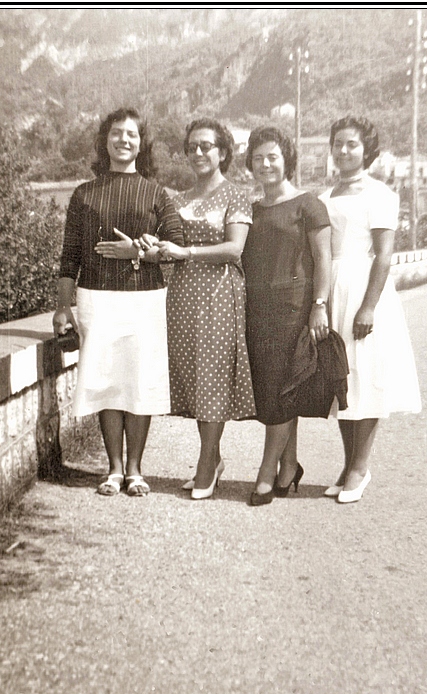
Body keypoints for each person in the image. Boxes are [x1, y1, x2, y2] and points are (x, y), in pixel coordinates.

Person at [53, 107, 183, 496]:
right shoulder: (83, 194)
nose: (123, 140)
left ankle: (136, 469)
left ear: (141, 144)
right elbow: (69, 255)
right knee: (108, 380)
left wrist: (137, 253)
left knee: (139, 381)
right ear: (104, 140)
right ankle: (112, 469)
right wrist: (64, 306)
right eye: (116, 133)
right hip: (96, 297)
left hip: (144, 299)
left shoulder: (157, 193)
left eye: (132, 134)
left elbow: (175, 246)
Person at [151, 117, 257, 500]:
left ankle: (206, 463)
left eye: (206, 146)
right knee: (195, 378)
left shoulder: (235, 195)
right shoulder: (177, 199)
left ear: (223, 152)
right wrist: (154, 245)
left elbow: (234, 249)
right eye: (192, 147)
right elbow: (169, 247)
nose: (197, 153)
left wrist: (188, 251)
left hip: (217, 295)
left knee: (211, 375)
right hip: (181, 297)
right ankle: (211, 456)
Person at [319, 115, 421, 503]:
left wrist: (368, 307)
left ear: (367, 151)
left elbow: (383, 255)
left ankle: (361, 466)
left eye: (352, 145)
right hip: (333, 291)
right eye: (338, 144)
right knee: (341, 380)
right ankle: (348, 465)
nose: (343, 151)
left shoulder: (380, 194)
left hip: (364, 289)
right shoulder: (326, 197)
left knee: (368, 376)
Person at [241, 126, 332, 506]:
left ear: (287, 159)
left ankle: (266, 473)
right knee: (276, 390)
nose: (265, 164)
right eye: (258, 157)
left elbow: (324, 257)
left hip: (293, 308)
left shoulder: (308, 204)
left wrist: (320, 304)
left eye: (272, 156)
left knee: (280, 389)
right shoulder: (252, 208)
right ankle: (289, 464)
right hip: (256, 308)